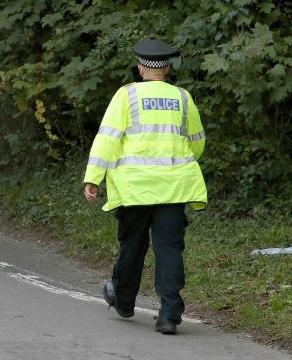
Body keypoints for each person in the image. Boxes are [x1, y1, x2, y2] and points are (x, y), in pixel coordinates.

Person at [83, 38, 207, 335]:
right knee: (169, 248)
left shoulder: (126, 96)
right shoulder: (182, 97)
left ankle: (124, 301)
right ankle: (169, 316)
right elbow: (198, 142)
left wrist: (93, 177)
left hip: (134, 188)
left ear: (141, 67)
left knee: (133, 245)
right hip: (174, 188)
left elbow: (108, 138)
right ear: (167, 67)